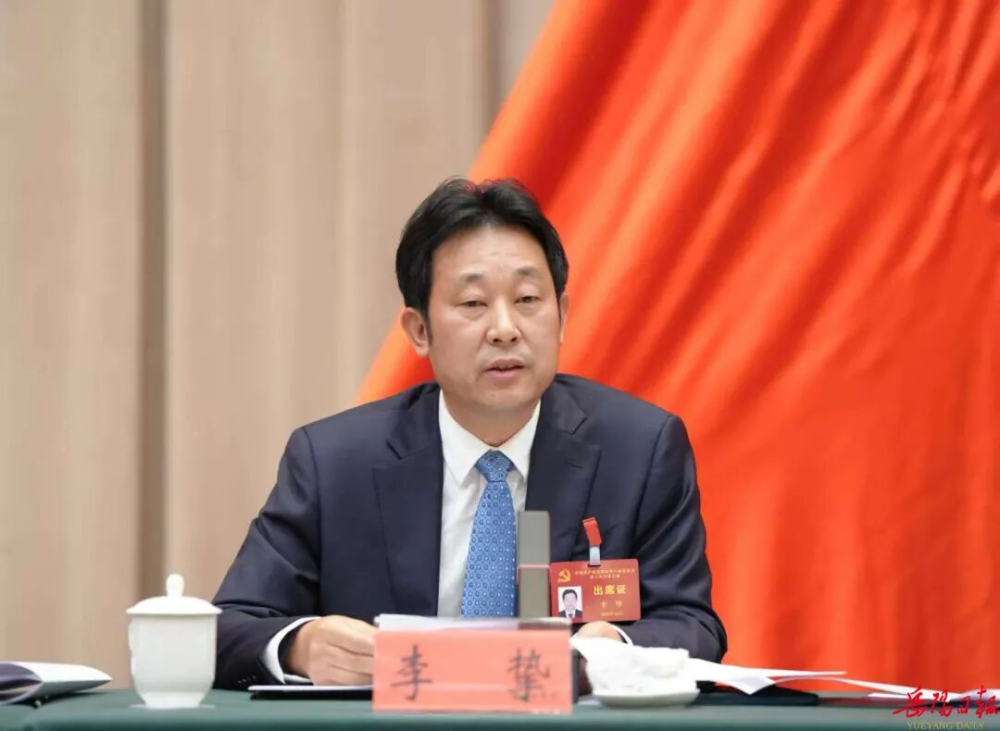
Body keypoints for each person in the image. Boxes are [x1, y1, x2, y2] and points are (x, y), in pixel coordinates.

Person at [213, 178, 727, 690]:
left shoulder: (638, 450)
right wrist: (300, 646)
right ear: (419, 331)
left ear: (562, 316)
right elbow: (227, 628)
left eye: (528, 298)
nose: (505, 328)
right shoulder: (334, 463)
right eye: (473, 304)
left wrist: (613, 648)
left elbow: (693, 625)